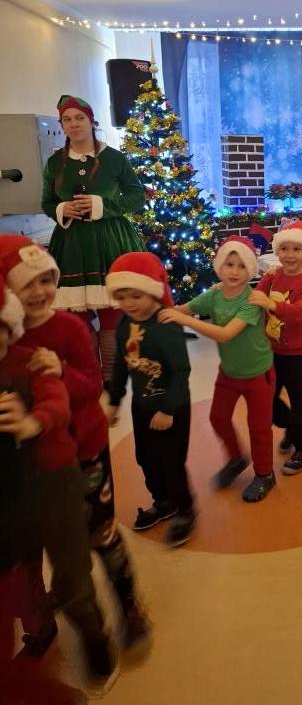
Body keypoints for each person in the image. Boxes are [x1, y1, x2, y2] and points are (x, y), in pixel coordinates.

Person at [0, 234, 148, 654]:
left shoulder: (69, 327)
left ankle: (128, 606)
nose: (40, 292)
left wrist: (61, 371)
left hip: (84, 450)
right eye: (26, 283)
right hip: (34, 463)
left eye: (46, 280)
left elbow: (91, 384)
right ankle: (45, 613)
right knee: (39, 543)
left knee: (101, 533)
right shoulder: (7, 336)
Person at [0, 273, 116, 687]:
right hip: (9, 494)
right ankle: (40, 624)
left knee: (71, 566)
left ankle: (93, 633)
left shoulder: (30, 358)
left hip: (52, 476)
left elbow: (57, 400)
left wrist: (34, 422)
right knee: (21, 568)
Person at [159, 237, 276, 503]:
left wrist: (185, 320)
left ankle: (265, 473)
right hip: (229, 373)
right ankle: (236, 458)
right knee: (218, 418)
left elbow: (225, 334)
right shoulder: (214, 295)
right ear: (219, 266)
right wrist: (165, 313)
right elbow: (182, 309)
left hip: (258, 374)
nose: (234, 271)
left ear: (251, 270)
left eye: (241, 266)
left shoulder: (252, 300)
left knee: (259, 428)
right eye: (229, 264)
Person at [41, 94, 146, 379]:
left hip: (111, 242)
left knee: (112, 318)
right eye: (67, 120)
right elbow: (47, 202)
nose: (74, 124)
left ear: (91, 121)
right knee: (76, 320)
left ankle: (111, 381)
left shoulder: (114, 159)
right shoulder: (54, 163)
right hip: (71, 246)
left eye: (79, 118)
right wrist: (61, 209)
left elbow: (137, 197)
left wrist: (102, 205)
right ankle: (89, 381)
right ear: (62, 125)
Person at [104, 253, 195, 547]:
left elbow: (181, 371)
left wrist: (168, 410)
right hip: (142, 406)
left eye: (136, 295)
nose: (129, 303)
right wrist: (114, 399)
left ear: (152, 292)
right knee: (146, 457)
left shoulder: (166, 325)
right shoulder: (125, 324)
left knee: (171, 461)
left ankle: (185, 509)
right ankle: (163, 501)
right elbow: (122, 364)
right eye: (121, 297)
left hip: (171, 408)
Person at [250, 221, 302, 475]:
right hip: (271, 352)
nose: (290, 255)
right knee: (266, 399)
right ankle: (292, 425)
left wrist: (271, 304)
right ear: (277, 251)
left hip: (301, 355)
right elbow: (253, 298)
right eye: (284, 249)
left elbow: (300, 313)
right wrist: (225, 290)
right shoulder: (271, 276)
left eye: (296, 249)